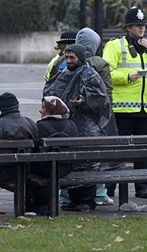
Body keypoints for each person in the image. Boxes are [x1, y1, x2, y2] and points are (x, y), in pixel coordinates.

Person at [102, 7, 147, 199]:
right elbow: (106, 73)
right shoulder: (115, 46)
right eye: (137, 25)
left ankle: (141, 186)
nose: (141, 28)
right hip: (122, 107)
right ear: (128, 27)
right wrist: (127, 76)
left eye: (143, 25)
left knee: (143, 151)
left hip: (146, 108)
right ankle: (110, 188)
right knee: (118, 151)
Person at [44, 44, 116, 211]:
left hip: (87, 126)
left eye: (72, 58)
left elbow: (101, 100)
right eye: (67, 57)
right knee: (70, 162)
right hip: (68, 126)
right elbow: (52, 90)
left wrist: (84, 102)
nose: (69, 61)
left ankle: (87, 200)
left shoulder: (90, 74)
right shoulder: (63, 74)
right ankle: (72, 199)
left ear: (81, 59)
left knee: (87, 162)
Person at [75, 27, 115, 205]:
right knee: (95, 157)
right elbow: (107, 92)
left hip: (70, 118)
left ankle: (67, 194)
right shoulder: (99, 63)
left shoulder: (63, 59)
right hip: (93, 119)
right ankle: (98, 193)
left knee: (71, 156)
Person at [28, 96, 78, 215]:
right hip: (65, 168)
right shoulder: (72, 125)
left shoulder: (39, 127)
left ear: (51, 111)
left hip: (43, 170)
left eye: (44, 108)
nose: (40, 111)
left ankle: (38, 206)